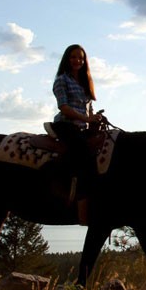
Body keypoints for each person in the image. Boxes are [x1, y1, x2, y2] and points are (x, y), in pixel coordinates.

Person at [52, 44, 103, 202]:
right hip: (65, 125)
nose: (77, 60)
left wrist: (95, 118)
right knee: (81, 149)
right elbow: (64, 107)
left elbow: (88, 109)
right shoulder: (62, 80)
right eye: (73, 57)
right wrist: (87, 119)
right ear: (67, 59)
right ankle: (71, 186)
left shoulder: (85, 83)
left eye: (80, 57)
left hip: (82, 126)